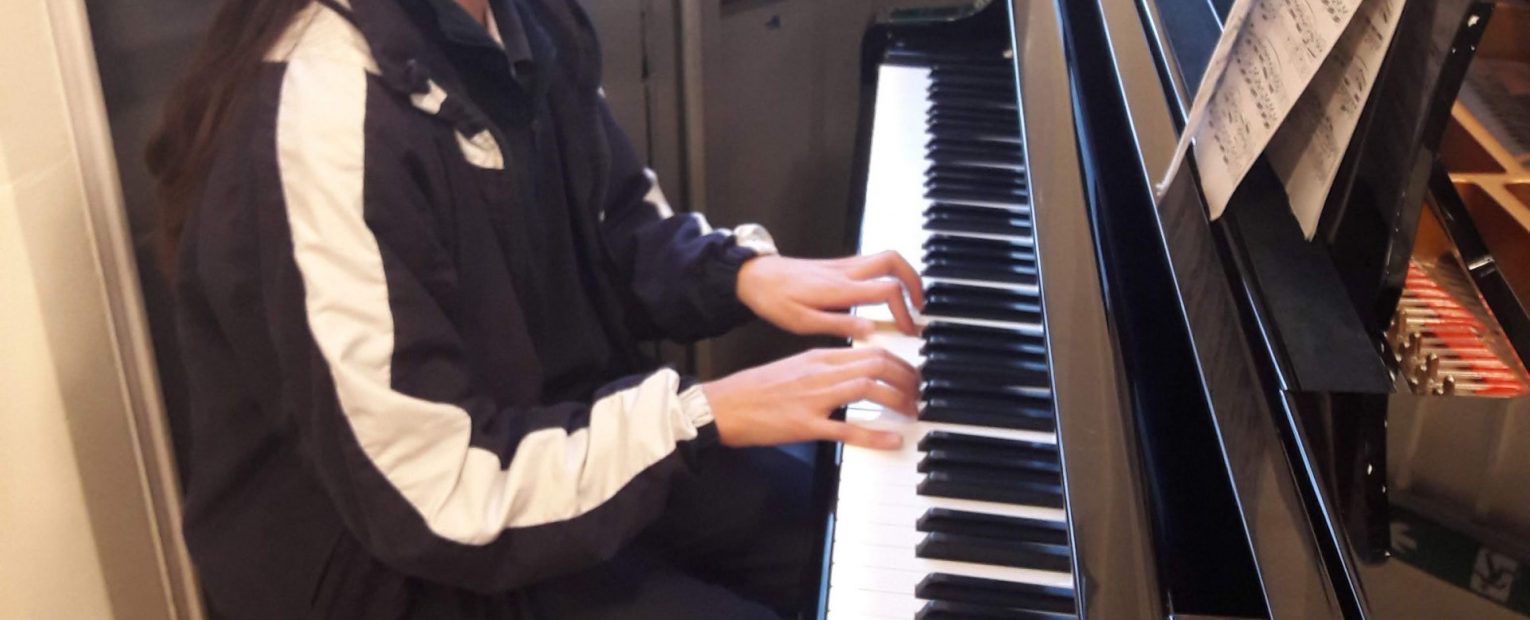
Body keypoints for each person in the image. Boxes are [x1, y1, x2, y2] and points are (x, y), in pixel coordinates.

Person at [146, 0, 925, 617]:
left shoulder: (522, 21)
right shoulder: (325, 110)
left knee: (836, 537)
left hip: (550, 443)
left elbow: (616, 223)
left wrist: (744, 276)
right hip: (396, 563)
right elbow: (435, 495)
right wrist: (694, 415)